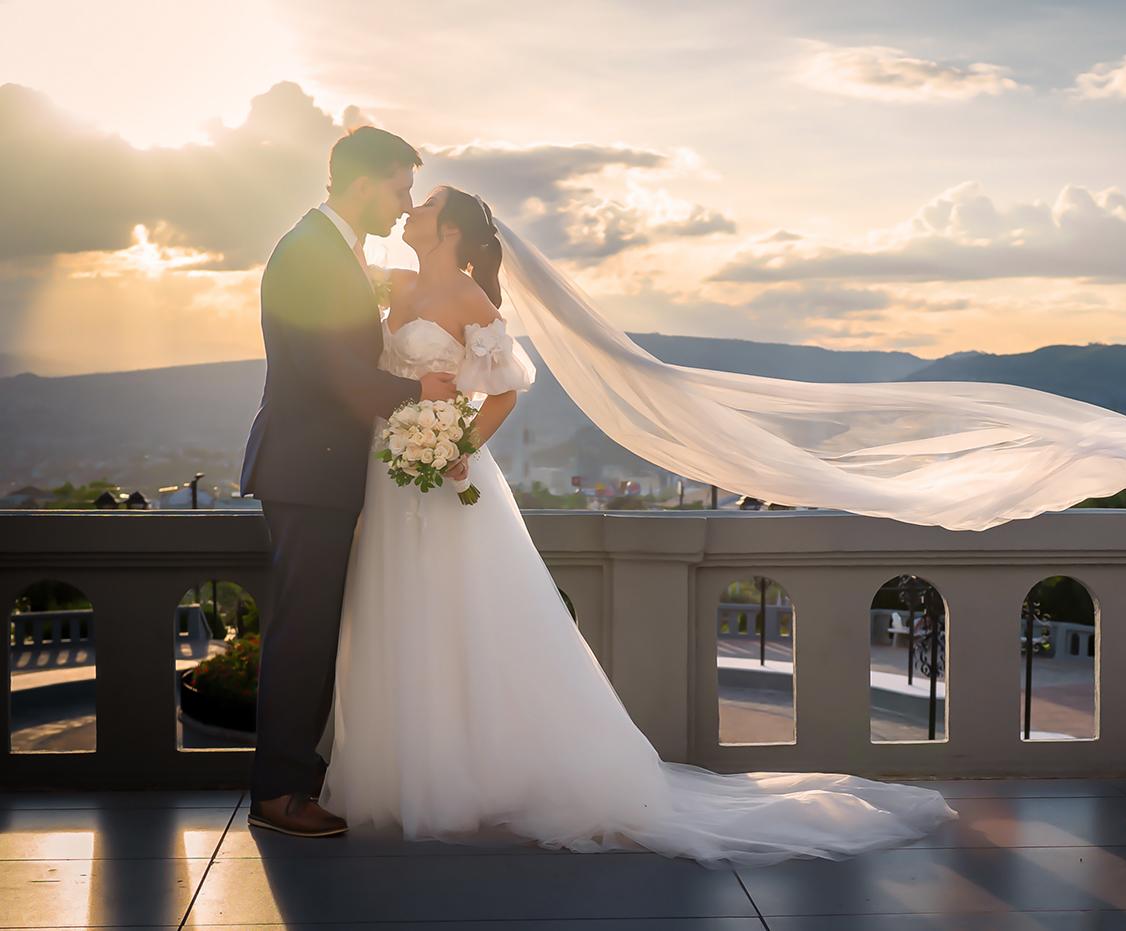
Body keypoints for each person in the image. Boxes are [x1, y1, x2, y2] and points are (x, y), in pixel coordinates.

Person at [315, 185, 958, 866]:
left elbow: (504, 387)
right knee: (401, 616)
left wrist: (459, 448)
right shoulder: (401, 283)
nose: (410, 210)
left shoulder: (470, 301)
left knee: (462, 618)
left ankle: (463, 779)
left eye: (425, 206)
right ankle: (411, 768)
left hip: (443, 479)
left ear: (447, 232)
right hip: (387, 476)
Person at [239, 127, 461, 838]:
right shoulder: (311, 252)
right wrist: (418, 388)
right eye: (398, 188)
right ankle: (280, 791)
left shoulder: (334, 250)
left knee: (313, 625)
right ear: (362, 183)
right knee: (303, 629)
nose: (405, 204)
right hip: (309, 467)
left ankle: (292, 780)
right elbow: (331, 371)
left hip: (321, 465)